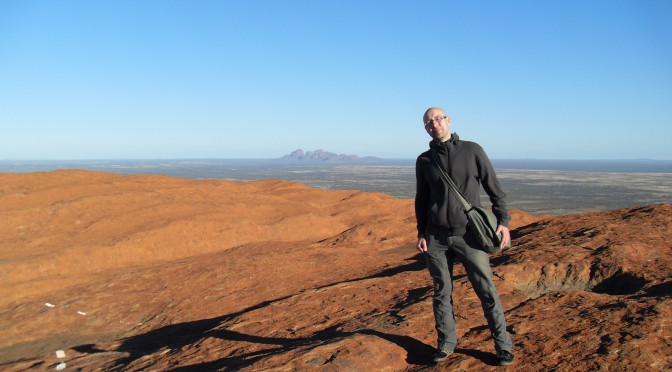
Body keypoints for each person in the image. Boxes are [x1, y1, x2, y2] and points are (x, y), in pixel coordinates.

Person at [415, 107, 514, 366]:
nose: (433, 124)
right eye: (428, 122)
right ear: (425, 128)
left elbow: (494, 187)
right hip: (436, 238)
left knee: (486, 291)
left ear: (448, 120)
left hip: (469, 235)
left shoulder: (472, 150)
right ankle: (446, 344)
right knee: (441, 292)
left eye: (437, 119)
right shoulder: (424, 160)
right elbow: (422, 199)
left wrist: (503, 221)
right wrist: (421, 231)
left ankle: (503, 346)